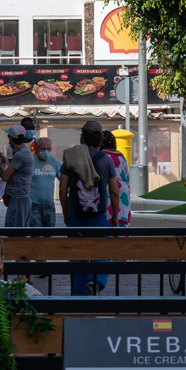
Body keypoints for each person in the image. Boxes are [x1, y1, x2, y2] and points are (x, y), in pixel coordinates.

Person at [59, 120, 120, 296]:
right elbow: (114, 192)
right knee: (102, 250)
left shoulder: (71, 156)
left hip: (75, 216)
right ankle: (96, 281)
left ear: (83, 137)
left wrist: (65, 211)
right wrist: (114, 215)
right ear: (100, 139)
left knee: (77, 256)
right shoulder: (106, 160)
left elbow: (63, 188)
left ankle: (79, 299)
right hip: (98, 216)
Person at [0, 124, 36, 229]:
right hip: (24, 199)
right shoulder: (27, 152)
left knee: (14, 234)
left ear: (10, 138)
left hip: (17, 200)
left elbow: (5, 177)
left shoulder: (20, 155)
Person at [100, 130, 131, 226]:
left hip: (109, 189)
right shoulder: (122, 156)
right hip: (123, 190)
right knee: (122, 218)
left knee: (109, 219)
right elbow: (126, 177)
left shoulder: (102, 155)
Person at [28, 137, 61, 227]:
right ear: (37, 149)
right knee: (37, 236)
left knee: (48, 237)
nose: (46, 151)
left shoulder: (54, 162)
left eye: (48, 149)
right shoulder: (30, 162)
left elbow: (63, 179)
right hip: (34, 206)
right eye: (43, 149)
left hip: (49, 207)